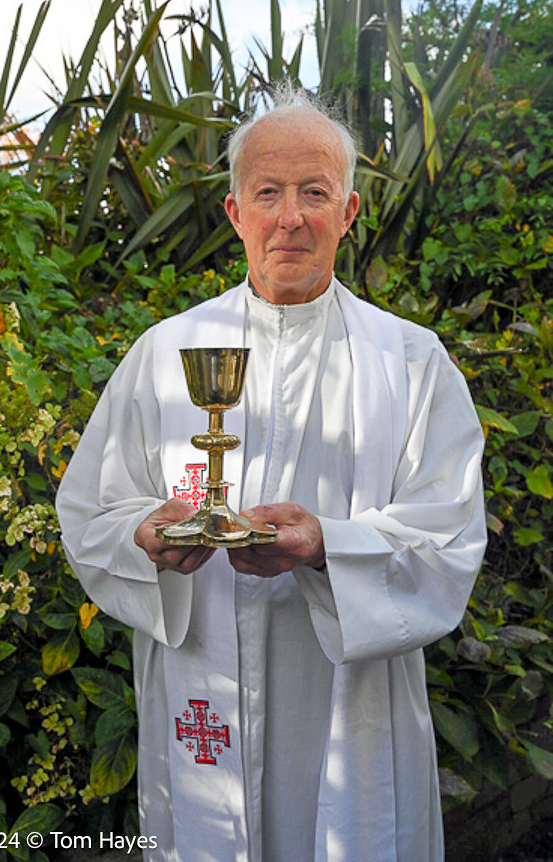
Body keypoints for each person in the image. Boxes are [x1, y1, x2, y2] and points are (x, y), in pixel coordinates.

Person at [56, 85, 487, 862]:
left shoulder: (413, 362)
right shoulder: (163, 354)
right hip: (202, 699)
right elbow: (92, 511)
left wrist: (328, 547)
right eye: (268, 193)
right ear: (235, 213)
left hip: (349, 715)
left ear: (349, 212)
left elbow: (448, 537)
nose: (291, 216)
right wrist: (147, 537)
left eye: (314, 192)